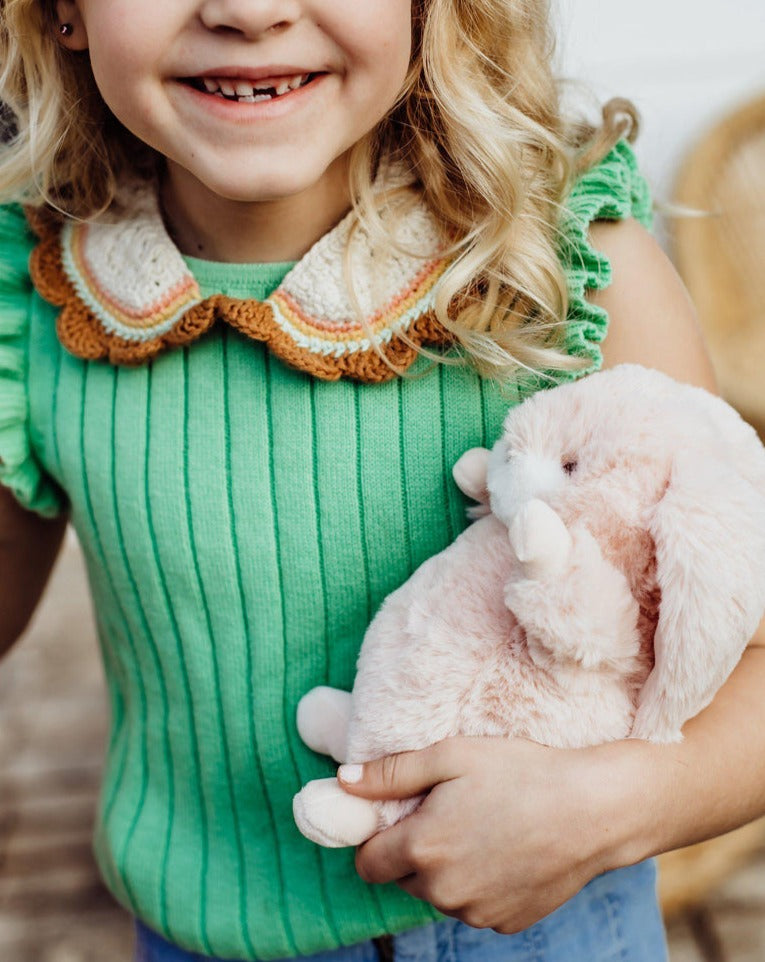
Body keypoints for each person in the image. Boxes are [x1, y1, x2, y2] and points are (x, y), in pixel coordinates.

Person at [0, 1, 762, 961]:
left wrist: (607, 807)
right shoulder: (32, 303)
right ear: (63, 13)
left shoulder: (569, 273)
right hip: (203, 935)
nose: (249, 11)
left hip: (547, 932)